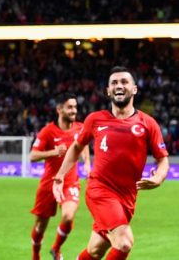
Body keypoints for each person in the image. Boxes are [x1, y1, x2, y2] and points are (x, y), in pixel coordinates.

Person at [54, 67, 169, 260]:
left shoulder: (148, 123)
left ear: (134, 89)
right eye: (114, 83)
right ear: (108, 91)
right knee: (124, 242)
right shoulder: (95, 119)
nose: (119, 86)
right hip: (100, 190)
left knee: (95, 251)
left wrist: (158, 178)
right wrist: (59, 176)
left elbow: (163, 158)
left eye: (124, 82)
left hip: (127, 198)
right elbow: (76, 147)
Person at [29, 93, 91, 260]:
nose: (74, 110)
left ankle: (56, 248)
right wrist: (54, 152)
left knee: (68, 216)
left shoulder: (80, 128)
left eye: (75, 107)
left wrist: (86, 163)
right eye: (70, 107)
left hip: (70, 182)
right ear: (59, 109)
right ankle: (35, 255)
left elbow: (83, 145)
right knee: (40, 226)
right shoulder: (48, 131)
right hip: (49, 184)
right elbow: (32, 156)